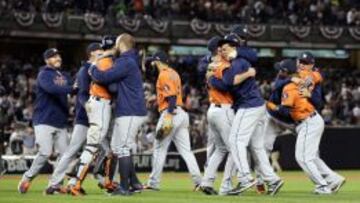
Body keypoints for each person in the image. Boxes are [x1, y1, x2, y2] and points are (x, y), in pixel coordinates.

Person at [267, 59, 345, 195]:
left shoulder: (289, 87)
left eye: (281, 70)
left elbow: (284, 111)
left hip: (308, 122)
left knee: (303, 158)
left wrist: (270, 105)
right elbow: (316, 75)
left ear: (285, 72)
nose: (279, 72)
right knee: (312, 157)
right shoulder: (301, 77)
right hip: (311, 119)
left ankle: (322, 186)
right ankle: (334, 179)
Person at [218, 34, 283, 196]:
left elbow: (230, 82)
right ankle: (272, 179)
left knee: (235, 141)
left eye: (226, 48)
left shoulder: (239, 62)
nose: (223, 51)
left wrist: (246, 74)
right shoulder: (237, 61)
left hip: (249, 106)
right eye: (222, 49)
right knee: (257, 146)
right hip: (258, 106)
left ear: (234, 48)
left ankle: (245, 178)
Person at [89, 33, 147, 196]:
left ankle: (124, 187)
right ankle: (134, 182)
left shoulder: (126, 61)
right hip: (130, 109)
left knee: (122, 148)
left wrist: (93, 65)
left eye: (116, 44)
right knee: (117, 147)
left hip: (130, 110)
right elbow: (114, 87)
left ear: (121, 44)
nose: (114, 47)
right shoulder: (129, 60)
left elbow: (103, 77)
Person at [45, 43, 103, 195]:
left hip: (99, 118)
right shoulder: (84, 71)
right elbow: (81, 94)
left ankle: (74, 182)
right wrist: (88, 106)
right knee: (72, 151)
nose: (102, 54)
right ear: (91, 54)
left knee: (99, 151)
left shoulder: (101, 69)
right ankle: (54, 184)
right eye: (99, 52)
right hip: (84, 118)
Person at [143, 51, 202, 191]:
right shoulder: (173, 72)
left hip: (171, 113)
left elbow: (172, 97)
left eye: (153, 61)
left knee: (159, 148)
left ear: (157, 61)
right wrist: (156, 99)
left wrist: (168, 116)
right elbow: (172, 93)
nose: (152, 63)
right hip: (181, 114)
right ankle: (199, 182)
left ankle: (153, 183)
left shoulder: (163, 74)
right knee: (186, 151)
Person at [18, 48, 74, 194]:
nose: (58, 58)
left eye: (58, 55)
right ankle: (27, 178)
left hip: (60, 121)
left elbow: (75, 86)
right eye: (54, 56)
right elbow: (52, 89)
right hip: (44, 120)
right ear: (46, 60)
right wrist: (71, 89)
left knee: (65, 155)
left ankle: (55, 185)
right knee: (45, 152)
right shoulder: (43, 75)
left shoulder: (64, 75)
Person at [69, 37, 116, 196]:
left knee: (106, 150)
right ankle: (74, 183)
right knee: (92, 147)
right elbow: (112, 86)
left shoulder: (101, 62)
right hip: (100, 104)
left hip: (100, 104)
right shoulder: (104, 62)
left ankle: (106, 181)